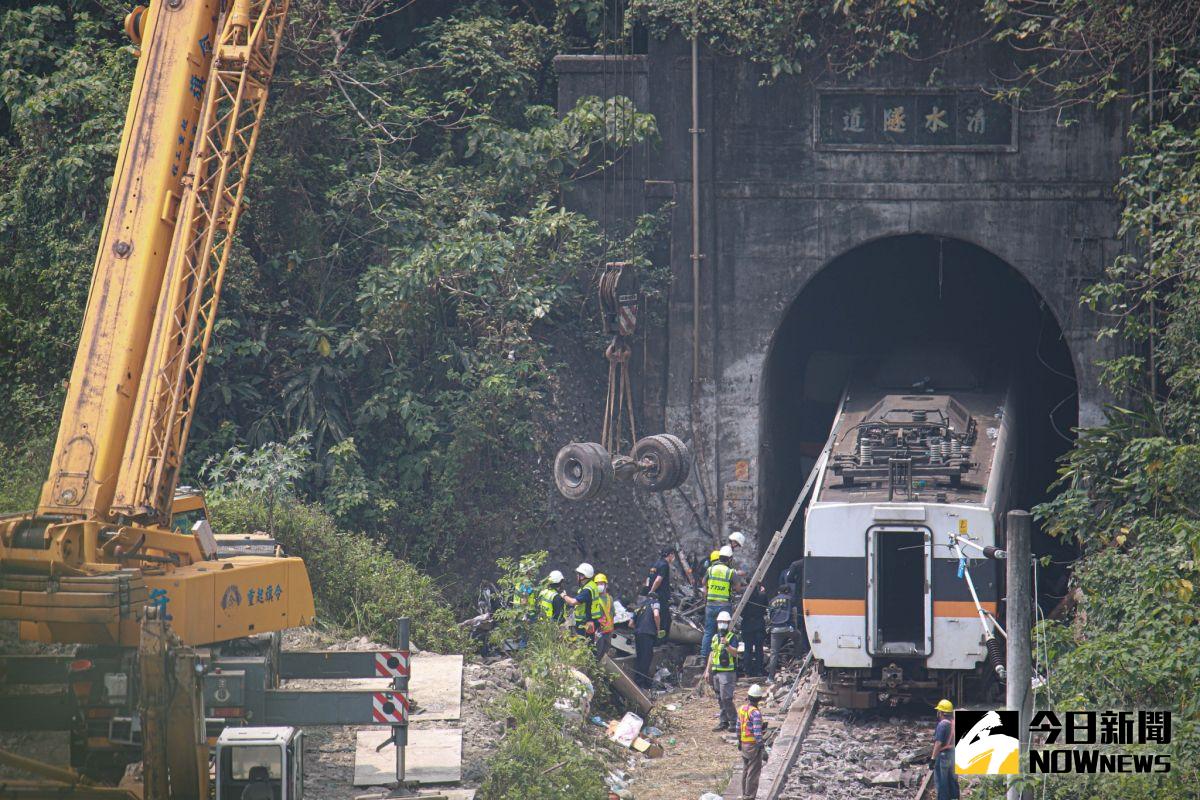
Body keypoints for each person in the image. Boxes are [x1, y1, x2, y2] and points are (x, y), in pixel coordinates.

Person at [703, 609, 740, 731]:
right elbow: (712, 654)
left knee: (726, 698)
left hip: (727, 673)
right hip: (716, 672)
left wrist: (727, 645)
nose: (722, 624)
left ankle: (734, 721)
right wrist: (707, 671)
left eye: (724, 622)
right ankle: (723, 721)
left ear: (728, 623)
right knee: (719, 698)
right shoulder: (714, 637)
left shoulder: (732, 637)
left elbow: (736, 654)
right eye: (720, 622)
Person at [700, 546, 736, 661]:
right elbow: (737, 587)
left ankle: (703, 657)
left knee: (708, 631)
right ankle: (722, 656)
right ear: (729, 559)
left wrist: (706, 595)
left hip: (710, 605)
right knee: (724, 632)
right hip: (724, 605)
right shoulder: (730, 571)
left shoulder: (710, 569)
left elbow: (703, 582)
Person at [737, 684, 768, 800]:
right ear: (759, 699)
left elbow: (738, 727)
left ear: (748, 696)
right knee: (753, 772)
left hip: (744, 744)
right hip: (753, 745)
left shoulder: (742, 709)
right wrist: (762, 747)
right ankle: (749, 796)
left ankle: (744, 793)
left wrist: (739, 741)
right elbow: (757, 732)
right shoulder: (755, 713)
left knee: (745, 769)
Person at [560, 562, 601, 637]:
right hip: (590, 620)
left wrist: (564, 595)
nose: (577, 576)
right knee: (588, 644)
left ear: (583, 576)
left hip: (585, 622)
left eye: (578, 574)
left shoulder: (587, 590)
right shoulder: (592, 585)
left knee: (584, 644)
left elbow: (573, 602)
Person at [631, 591, 662, 689]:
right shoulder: (655, 603)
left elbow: (630, 624)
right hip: (648, 634)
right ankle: (641, 683)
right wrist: (658, 629)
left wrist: (639, 628)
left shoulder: (639, 606)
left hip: (638, 633)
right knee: (646, 658)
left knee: (640, 657)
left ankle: (639, 680)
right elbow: (656, 615)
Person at [930, 699, 960, 800]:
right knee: (952, 781)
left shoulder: (942, 724)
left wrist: (933, 758)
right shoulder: (954, 722)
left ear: (941, 712)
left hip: (943, 756)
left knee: (942, 783)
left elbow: (938, 743)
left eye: (938, 711)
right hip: (954, 755)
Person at [767, 583, 798, 677]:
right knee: (799, 639)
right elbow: (795, 613)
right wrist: (795, 627)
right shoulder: (790, 599)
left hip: (775, 630)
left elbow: (769, 616)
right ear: (788, 592)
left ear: (778, 592)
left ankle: (770, 677)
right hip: (788, 628)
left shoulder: (772, 600)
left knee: (774, 654)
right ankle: (798, 660)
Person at [740, 582, 768, 677]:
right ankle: (759, 670)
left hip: (747, 625)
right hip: (759, 624)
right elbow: (765, 607)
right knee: (759, 649)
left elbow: (741, 612)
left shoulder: (745, 597)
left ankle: (747, 671)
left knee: (748, 649)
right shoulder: (762, 595)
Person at [645, 547, 675, 634]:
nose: (673, 557)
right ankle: (660, 638)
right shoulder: (664, 565)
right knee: (662, 617)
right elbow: (658, 580)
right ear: (670, 555)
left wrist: (648, 591)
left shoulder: (655, 564)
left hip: (654, 596)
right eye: (673, 555)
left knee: (654, 615)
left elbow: (648, 579)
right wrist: (652, 591)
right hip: (660, 595)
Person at [594, 573, 614, 660]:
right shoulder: (594, 599)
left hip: (608, 631)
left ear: (606, 585)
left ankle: (601, 671)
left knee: (605, 654)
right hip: (598, 631)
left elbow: (612, 614)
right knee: (597, 653)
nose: (599, 586)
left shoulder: (610, 598)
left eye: (601, 584)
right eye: (597, 584)